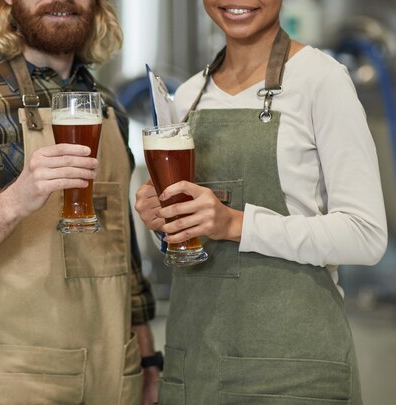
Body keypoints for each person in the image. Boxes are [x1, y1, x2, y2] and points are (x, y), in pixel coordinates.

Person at [0, 0, 160, 404]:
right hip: (12, 384)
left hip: (114, 382)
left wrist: (147, 363)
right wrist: (18, 199)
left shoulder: (108, 109)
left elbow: (125, 257)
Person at [135, 1, 387, 404]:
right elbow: (186, 243)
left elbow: (366, 235)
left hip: (293, 373)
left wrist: (235, 224)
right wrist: (162, 223)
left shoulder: (322, 80)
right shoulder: (186, 98)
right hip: (198, 369)